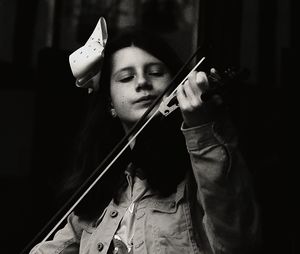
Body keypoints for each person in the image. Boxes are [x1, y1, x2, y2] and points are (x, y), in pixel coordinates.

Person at [30, 24, 260, 254]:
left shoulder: (197, 175)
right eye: (127, 77)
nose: (142, 82)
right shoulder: (106, 186)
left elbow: (237, 240)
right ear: (110, 103)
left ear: (176, 84)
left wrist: (203, 128)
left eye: (156, 73)